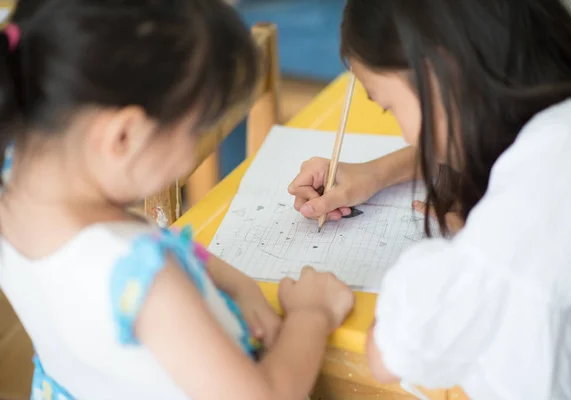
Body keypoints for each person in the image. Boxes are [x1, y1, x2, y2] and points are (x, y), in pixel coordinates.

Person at [0, 1, 354, 399]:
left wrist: (237, 283)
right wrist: (311, 314)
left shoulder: (17, 191)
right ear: (123, 137)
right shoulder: (151, 283)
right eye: (196, 129)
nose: (193, 153)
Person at [288, 0, 571, 398]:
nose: (405, 136)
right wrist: (376, 172)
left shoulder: (556, 160)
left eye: (389, 107)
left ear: (439, 71)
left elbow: (393, 350)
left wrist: (482, 235)